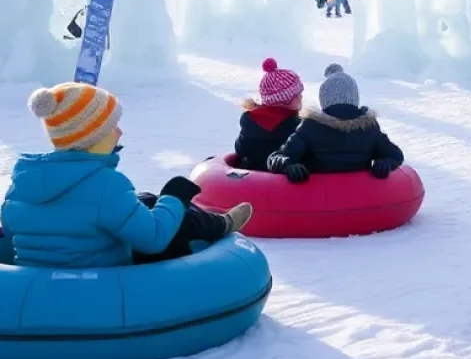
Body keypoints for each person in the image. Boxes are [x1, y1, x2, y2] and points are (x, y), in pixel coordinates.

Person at [0, 83, 251, 268]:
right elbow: (153, 238)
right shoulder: (107, 185)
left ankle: (209, 219)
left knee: (145, 201)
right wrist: (174, 196)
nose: (119, 132)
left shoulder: (22, 181)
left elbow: (12, 235)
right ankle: (221, 224)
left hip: (34, 281)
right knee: (173, 215)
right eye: (112, 127)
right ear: (93, 137)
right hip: (103, 281)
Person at [267, 64, 404, 183]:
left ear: (324, 99)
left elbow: (275, 158)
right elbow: (396, 155)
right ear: (355, 98)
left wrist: (288, 165)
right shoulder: (368, 127)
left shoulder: (311, 126)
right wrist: (385, 164)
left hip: (319, 200)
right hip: (360, 199)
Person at [233, 58, 304, 171]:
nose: (301, 96)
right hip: (286, 180)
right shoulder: (298, 125)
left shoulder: (250, 120)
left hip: (252, 178)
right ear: (283, 100)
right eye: (296, 94)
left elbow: (240, 149)